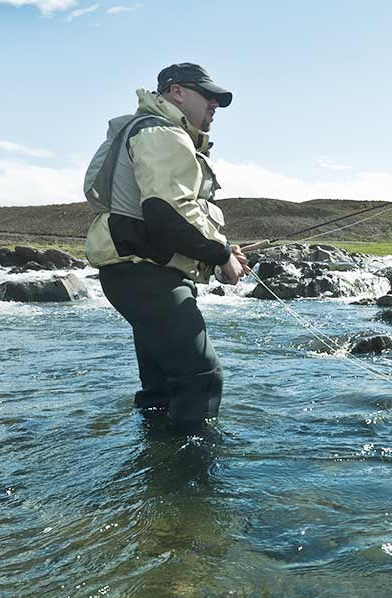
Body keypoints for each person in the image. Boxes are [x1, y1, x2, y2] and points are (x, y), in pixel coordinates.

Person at [84, 63, 251, 432]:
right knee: (201, 378)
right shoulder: (162, 132)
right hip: (147, 276)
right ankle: (191, 486)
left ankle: (156, 468)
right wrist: (221, 255)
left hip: (136, 273)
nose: (214, 105)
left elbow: (167, 215)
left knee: (161, 388)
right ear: (177, 92)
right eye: (208, 96)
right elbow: (166, 211)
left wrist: (220, 248)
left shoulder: (149, 131)